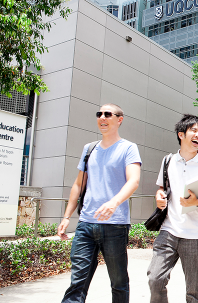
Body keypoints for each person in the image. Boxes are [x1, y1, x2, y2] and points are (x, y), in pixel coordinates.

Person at [58, 104, 142, 303]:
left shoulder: (128, 148)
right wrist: (66, 217)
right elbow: (78, 184)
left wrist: (114, 202)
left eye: (107, 114)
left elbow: (134, 181)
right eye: (99, 114)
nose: (102, 118)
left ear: (119, 119)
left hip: (115, 225)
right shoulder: (89, 149)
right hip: (86, 224)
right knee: (77, 281)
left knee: (119, 282)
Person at [148, 114, 198, 303]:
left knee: (194, 290)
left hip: (195, 234)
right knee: (155, 279)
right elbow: (162, 189)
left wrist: (197, 202)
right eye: (194, 130)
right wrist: (159, 196)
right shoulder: (168, 161)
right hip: (168, 229)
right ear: (181, 134)